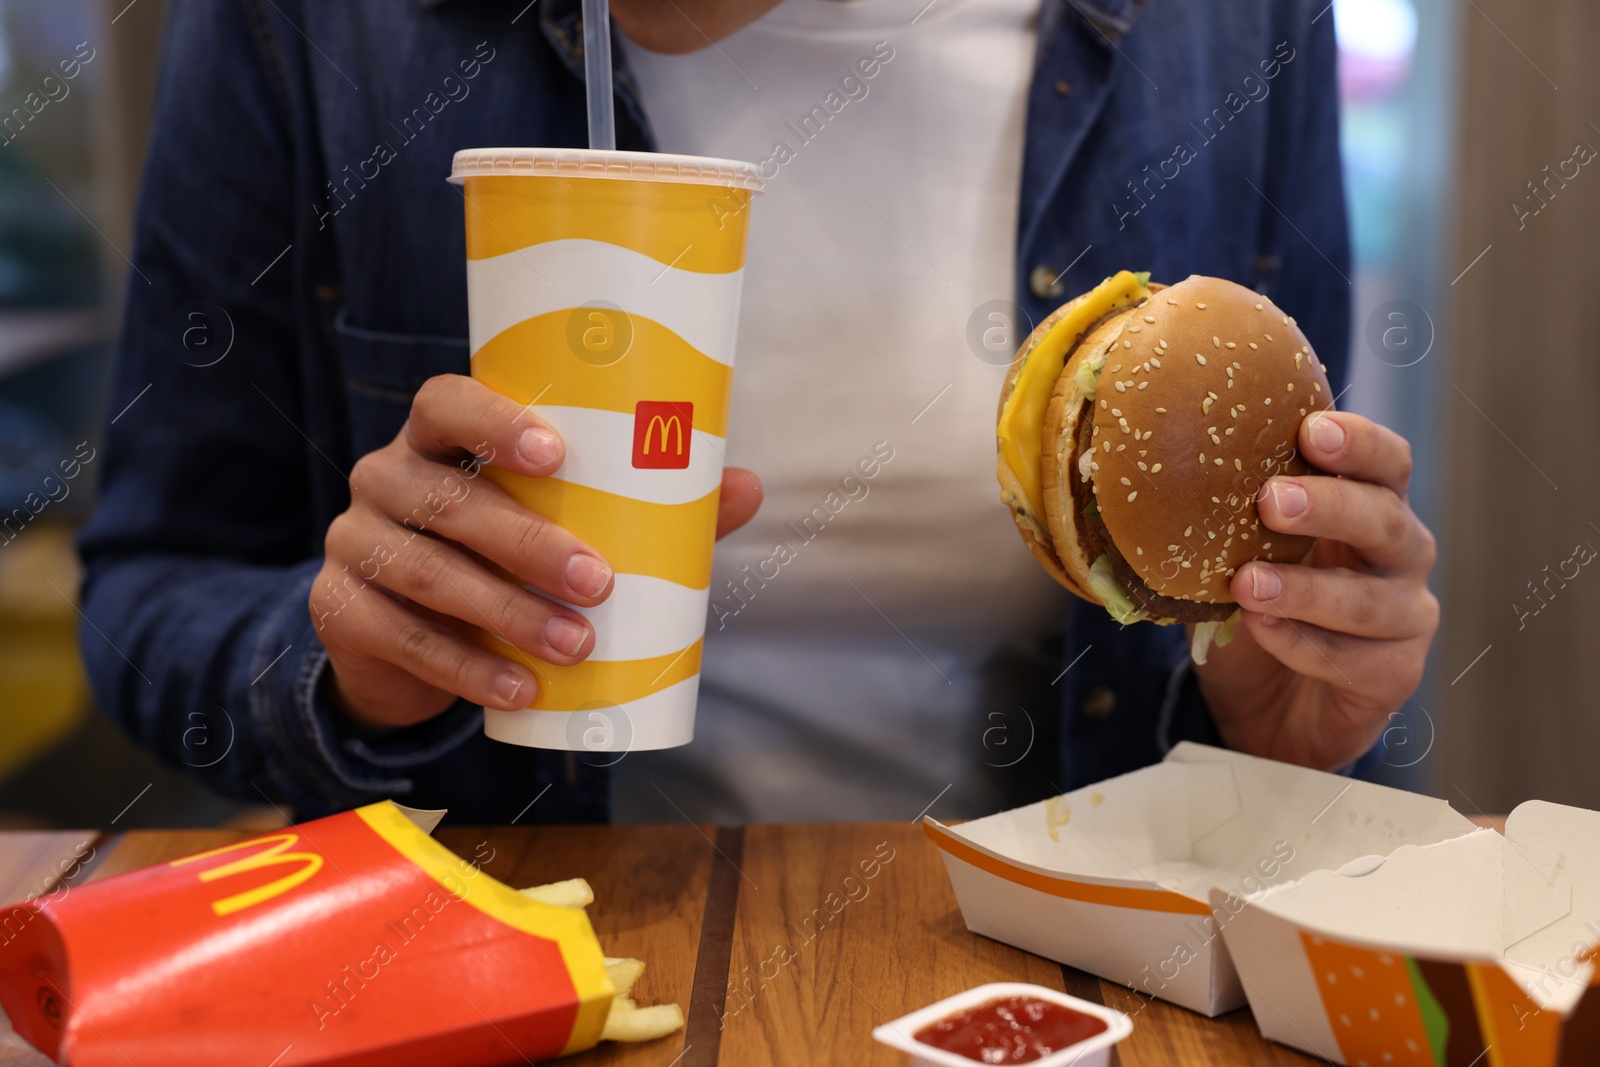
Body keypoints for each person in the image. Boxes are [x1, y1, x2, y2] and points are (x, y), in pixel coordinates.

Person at [78, 0, 1437, 825]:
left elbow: (1283, 653)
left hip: (1055, 992)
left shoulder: (1227, 30)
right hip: (504, 973)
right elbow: (150, 588)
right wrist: (348, 673)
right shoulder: (325, 28)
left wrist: (1273, 736)